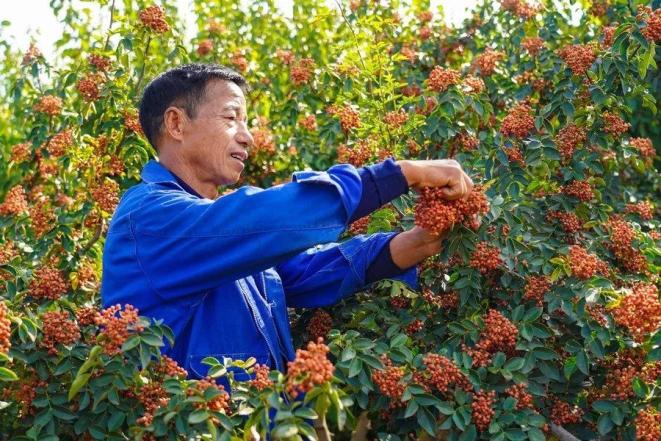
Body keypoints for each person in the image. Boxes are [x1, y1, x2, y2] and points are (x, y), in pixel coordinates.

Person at [100, 63, 473, 382]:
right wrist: (400, 174)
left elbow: (303, 272)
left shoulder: (221, 235)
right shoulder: (149, 217)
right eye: (231, 118)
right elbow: (272, 216)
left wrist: (413, 244)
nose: (247, 137)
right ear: (176, 124)